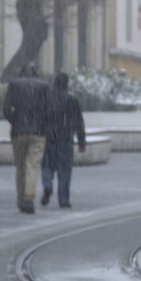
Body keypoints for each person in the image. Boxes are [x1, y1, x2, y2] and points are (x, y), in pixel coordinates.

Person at [3, 64, 49, 214]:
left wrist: (14, 121)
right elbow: (49, 109)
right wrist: (43, 124)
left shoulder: (14, 84)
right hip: (38, 132)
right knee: (32, 165)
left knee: (20, 166)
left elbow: (6, 109)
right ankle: (29, 197)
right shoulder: (44, 86)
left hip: (18, 132)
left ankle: (21, 198)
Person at [42, 73, 87, 209]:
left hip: (49, 139)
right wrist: (81, 141)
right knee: (65, 171)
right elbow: (79, 122)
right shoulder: (72, 100)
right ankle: (64, 200)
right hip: (66, 140)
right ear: (67, 84)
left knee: (47, 166)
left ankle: (47, 184)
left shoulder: (47, 99)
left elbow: (40, 118)